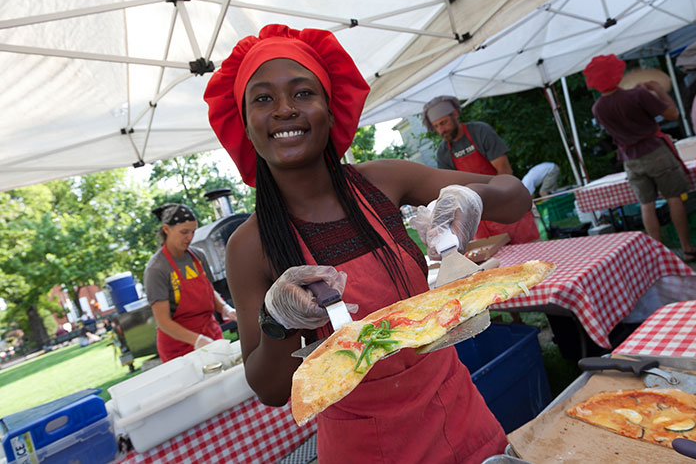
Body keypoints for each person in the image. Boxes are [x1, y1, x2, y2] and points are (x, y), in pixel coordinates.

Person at [204, 24, 533, 463]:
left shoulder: (385, 181)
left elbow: (515, 195)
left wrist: (473, 198)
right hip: (364, 446)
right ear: (244, 124)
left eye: (303, 93)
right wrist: (278, 319)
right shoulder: (248, 246)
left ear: (331, 108)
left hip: (459, 416)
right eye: (263, 98)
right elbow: (271, 390)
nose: (284, 109)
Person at [584, 54, 696, 262]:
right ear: (617, 75)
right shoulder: (636, 94)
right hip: (655, 152)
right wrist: (658, 90)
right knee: (674, 198)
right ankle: (687, 248)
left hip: (630, 159)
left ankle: (659, 255)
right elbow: (672, 114)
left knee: (646, 204)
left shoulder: (597, 108)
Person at [422, 95, 541, 244]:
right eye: (437, 126)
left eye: (444, 123)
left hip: (506, 205)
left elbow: (505, 172)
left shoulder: (480, 132)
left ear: (455, 115)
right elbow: (452, 190)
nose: (441, 130)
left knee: (532, 256)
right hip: (479, 218)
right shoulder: (443, 153)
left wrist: (492, 203)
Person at [144, 203, 237, 362]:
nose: (190, 237)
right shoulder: (156, 269)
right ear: (166, 229)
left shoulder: (198, 256)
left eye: (193, 231)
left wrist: (226, 309)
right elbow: (163, 321)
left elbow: (208, 290)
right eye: (184, 232)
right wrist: (198, 340)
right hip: (179, 347)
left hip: (211, 334)